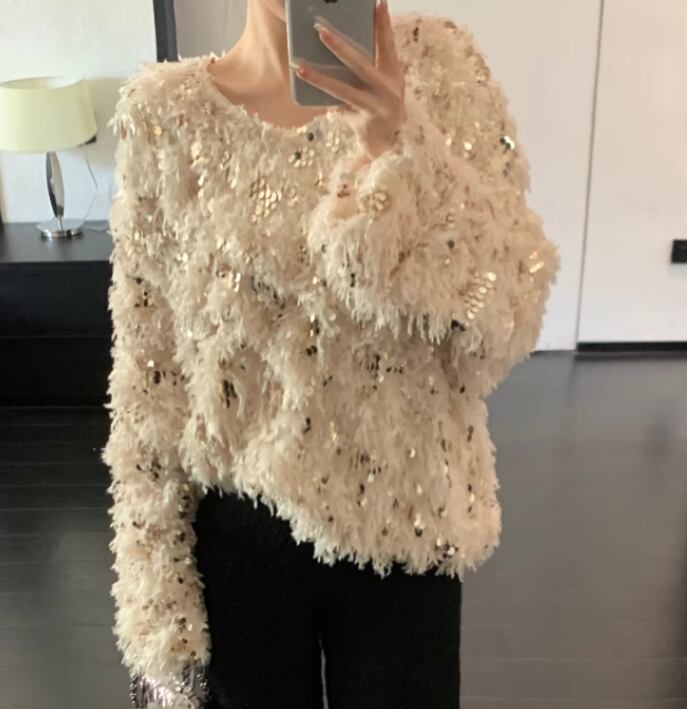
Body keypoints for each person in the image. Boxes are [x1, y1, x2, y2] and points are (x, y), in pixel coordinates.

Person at [101, 0, 560, 707]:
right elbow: (147, 374)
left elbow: (510, 305)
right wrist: (154, 603)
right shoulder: (167, 113)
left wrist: (400, 150)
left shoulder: (440, 68)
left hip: (407, 519)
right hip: (238, 533)